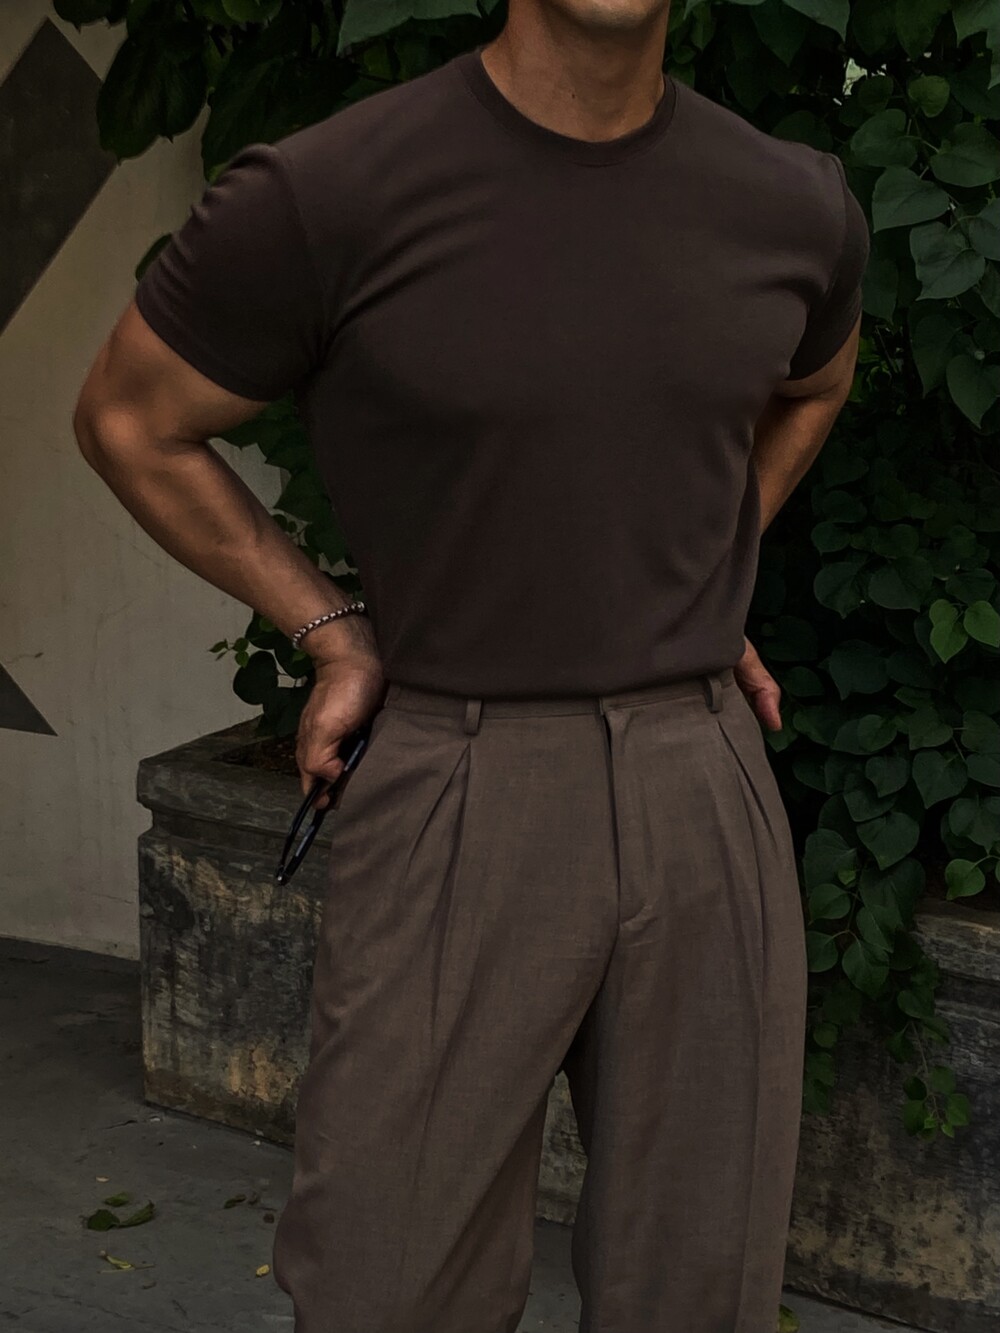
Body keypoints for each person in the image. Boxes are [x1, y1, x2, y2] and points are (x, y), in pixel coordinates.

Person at [73, 0, 870, 1329]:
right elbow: (128, 417)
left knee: (703, 1282)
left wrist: (693, 563)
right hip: (460, 775)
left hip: (703, 779)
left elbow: (816, 385)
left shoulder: (794, 204)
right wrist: (329, 630)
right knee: (390, 1282)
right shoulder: (331, 192)